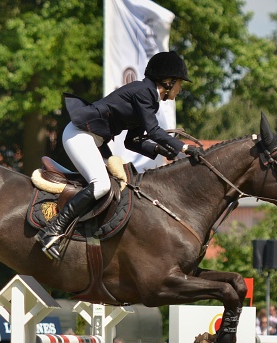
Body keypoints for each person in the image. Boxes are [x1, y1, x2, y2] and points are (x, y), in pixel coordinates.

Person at [37, 51, 200, 259]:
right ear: (169, 82)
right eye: (180, 84)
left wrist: (159, 149)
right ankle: (53, 229)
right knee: (101, 184)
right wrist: (183, 148)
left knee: (116, 186)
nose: (181, 89)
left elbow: (131, 141)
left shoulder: (148, 97)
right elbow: (154, 131)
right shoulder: (144, 93)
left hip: (93, 140)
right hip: (79, 134)